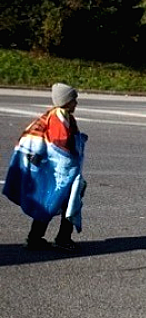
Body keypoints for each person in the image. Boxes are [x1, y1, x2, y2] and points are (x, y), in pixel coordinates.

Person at [3, 83, 87, 252]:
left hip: (53, 171)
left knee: (49, 201)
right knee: (69, 201)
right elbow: (60, 146)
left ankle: (35, 238)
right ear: (66, 101)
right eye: (74, 100)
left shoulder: (59, 115)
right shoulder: (59, 117)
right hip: (60, 172)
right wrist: (72, 164)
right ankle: (62, 238)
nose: (76, 103)